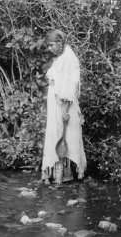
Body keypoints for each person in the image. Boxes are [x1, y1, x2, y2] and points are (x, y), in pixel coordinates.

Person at [41, 29, 87, 184]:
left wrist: (65, 111)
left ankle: (68, 175)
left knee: (66, 136)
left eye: (52, 45)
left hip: (63, 107)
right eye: (48, 46)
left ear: (60, 43)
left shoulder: (69, 58)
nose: (49, 49)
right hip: (57, 105)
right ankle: (60, 175)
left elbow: (70, 86)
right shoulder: (61, 57)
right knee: (57, 137)